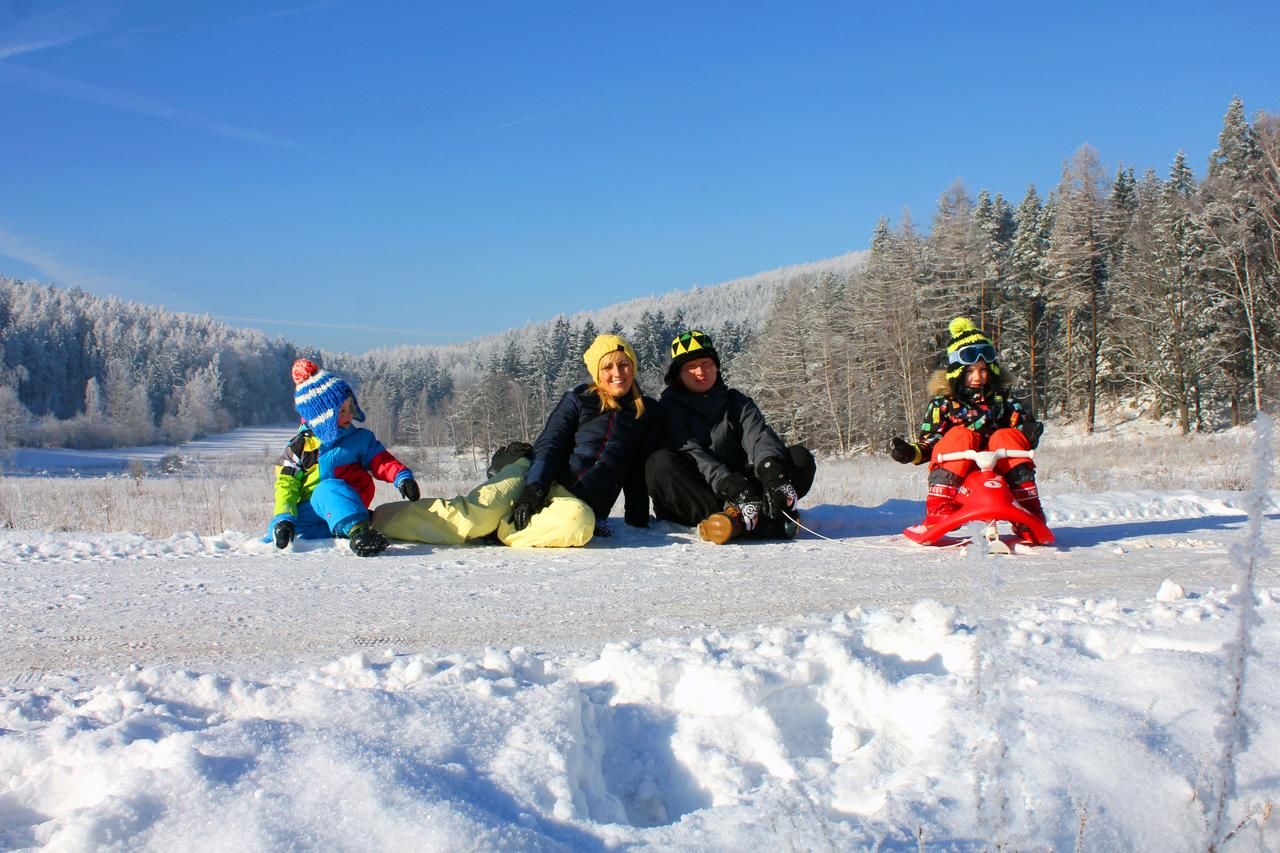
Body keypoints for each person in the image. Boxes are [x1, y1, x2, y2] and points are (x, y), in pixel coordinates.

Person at [373, 334, 654, 547]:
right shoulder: (579, 400)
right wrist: (534, 490)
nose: (618, 373)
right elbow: (550, 445)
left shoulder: (644, 414)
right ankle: (373, 520)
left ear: (633, 366)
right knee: (473, 516)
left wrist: (637, 520)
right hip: (531, 473)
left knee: (579, 524)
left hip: (573, 501)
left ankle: (502, 531)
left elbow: (637, 470)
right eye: (608, 367)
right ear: (597, 372)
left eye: (624, 364)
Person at [645, 329, 816, 544]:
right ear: (678, 375)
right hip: (700, 493)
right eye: (691, 367)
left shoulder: (737, 402)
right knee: (659, 464)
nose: (701, 371)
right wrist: (730, 485)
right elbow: (693, 453)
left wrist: (771, 472)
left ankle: (750, 515)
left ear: (716, 366)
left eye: (706, 364)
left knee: (800, 458)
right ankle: (754, 520)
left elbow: (759, 436)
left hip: (744, 490)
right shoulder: (668, 410)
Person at [889, 317, 1045, 538]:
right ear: (958, 373)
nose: (977, 377)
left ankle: (1029, 510)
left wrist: (1027, 432)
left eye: (983, 371)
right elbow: (932, 440)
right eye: (970, 371)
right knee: (960, 434)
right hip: (960, 474)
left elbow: (1017, 429)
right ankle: (939, 508)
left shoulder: (1002, 399)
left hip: (998, 470)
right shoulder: (943, 403)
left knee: (1006, 435)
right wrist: (911, 452)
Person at [269, 359, 420, 557]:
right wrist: (283, 519)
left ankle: (359, 532)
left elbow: (381, 460)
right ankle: (349, 526)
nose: (349, 415)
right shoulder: (299, 448)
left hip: (347, 502)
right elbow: (285, 484)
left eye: (349, 408)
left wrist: (402, 477)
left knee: (326, 489)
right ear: (322, 416)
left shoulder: (359, 439)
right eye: (341, 411)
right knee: (280, 528)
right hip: (312, 512)